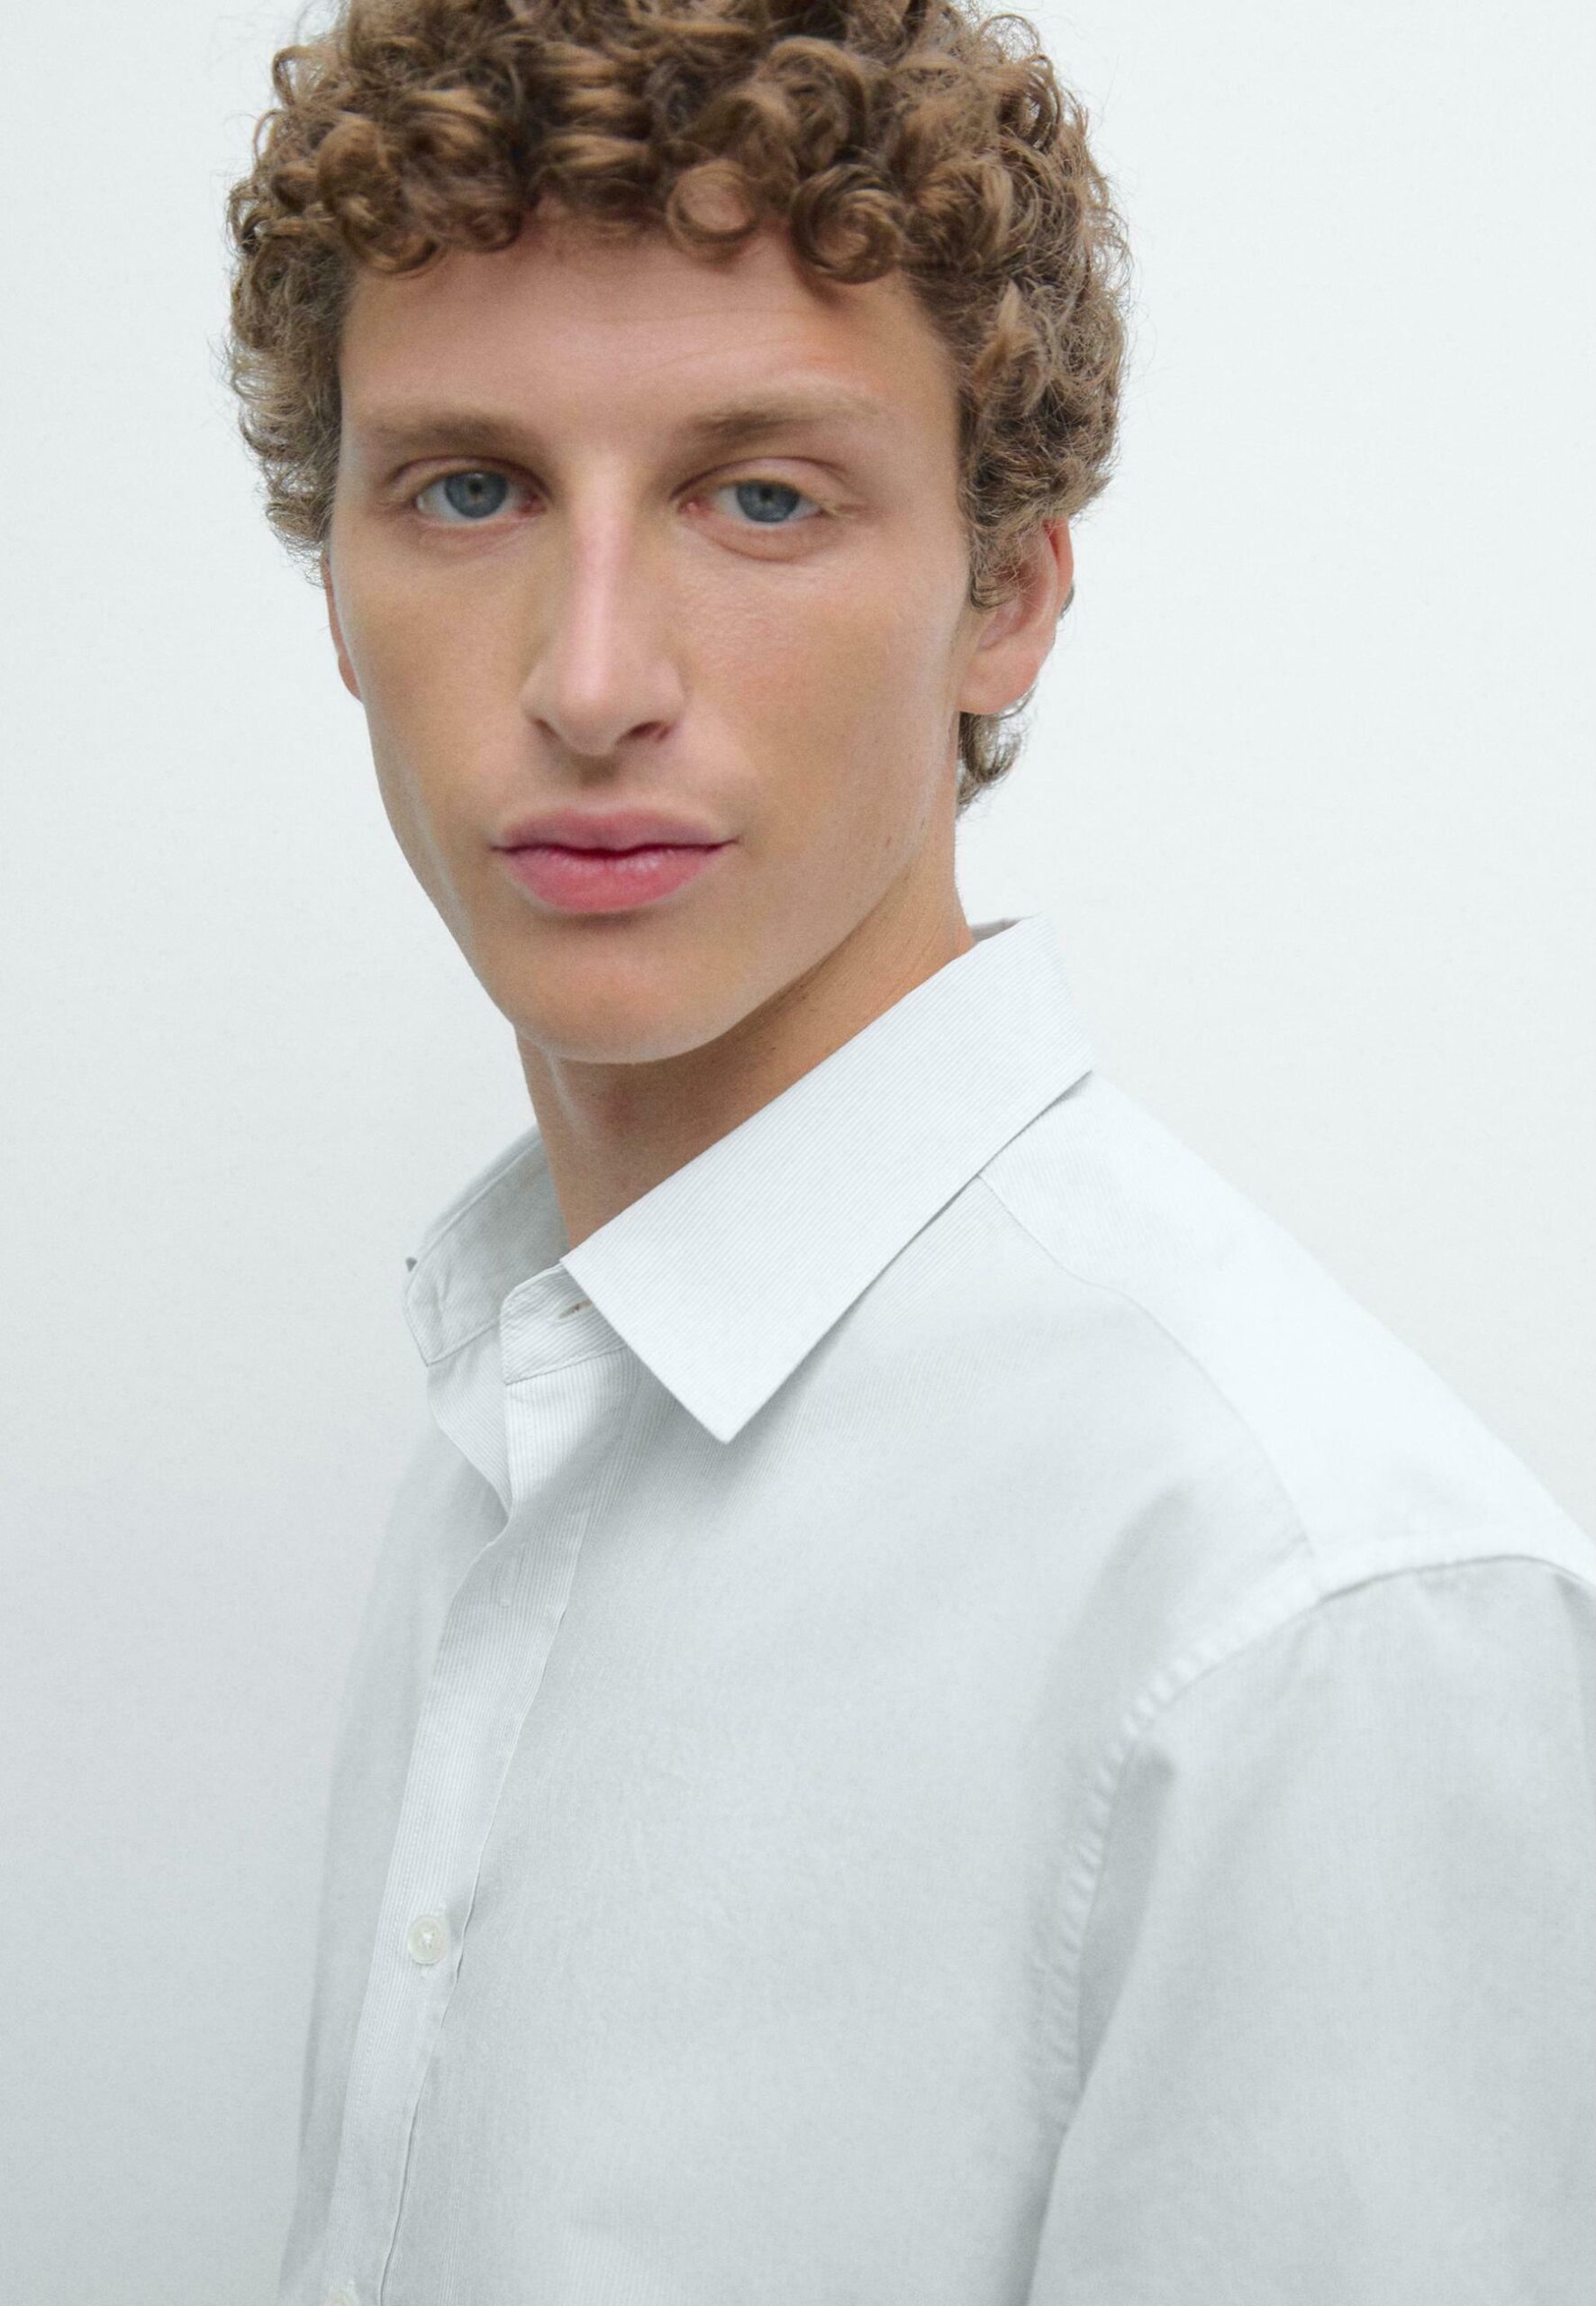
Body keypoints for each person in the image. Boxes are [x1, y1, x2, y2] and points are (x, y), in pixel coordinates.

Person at [222, 2, 1596, 2300]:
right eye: (466, 489)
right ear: (340, 585)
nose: (588, 675)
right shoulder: (513, 1413)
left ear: (1007, 592)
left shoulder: (1308, 1609)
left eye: (759, 495)